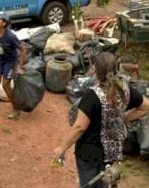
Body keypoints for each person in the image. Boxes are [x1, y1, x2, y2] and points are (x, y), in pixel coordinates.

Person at [53, 52, 149, 188]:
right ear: (116, 68)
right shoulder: (124, 89)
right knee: (108, 181)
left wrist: (62, 148)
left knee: (90, 184)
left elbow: (79, 127)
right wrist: (123, 118)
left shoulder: (92, 95)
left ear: (96, 70)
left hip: (89, 153)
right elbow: (146, 106)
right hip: (113, 150)